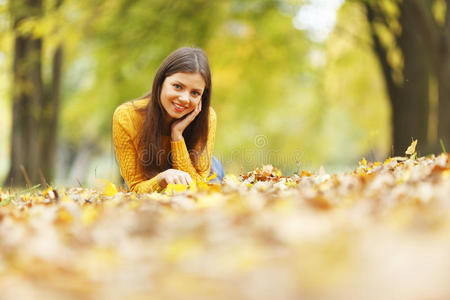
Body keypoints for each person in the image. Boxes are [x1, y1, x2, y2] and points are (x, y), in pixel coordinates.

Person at [113, 47, 224, 193]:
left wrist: (177, 135)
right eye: (177, 86)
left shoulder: (207, 117)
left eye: (195, 93)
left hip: (205, 171)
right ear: (161, 82)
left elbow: (197, 187)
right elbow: (135, 186)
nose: (185, 99)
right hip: (152, 178)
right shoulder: (126, 116)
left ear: (202, 96)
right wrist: (162, 178)